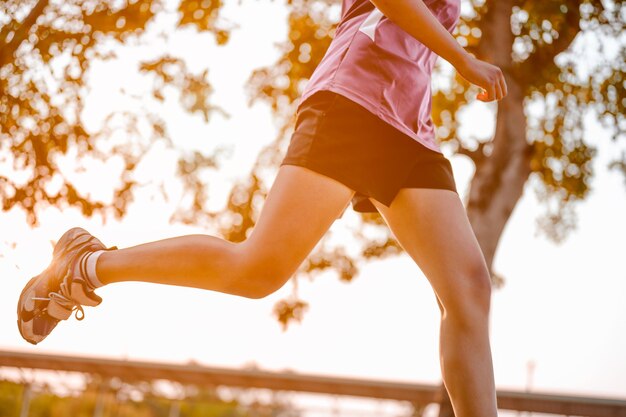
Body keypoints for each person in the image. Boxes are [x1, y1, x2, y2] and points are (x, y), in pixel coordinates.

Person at [17, 0, 507, 415]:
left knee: (469, 290)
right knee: (258, 270)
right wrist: (463, 59)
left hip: (410, 124)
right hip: (354, 100)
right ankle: (85, 266)